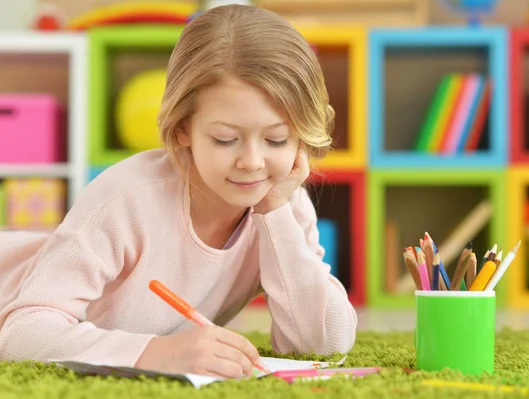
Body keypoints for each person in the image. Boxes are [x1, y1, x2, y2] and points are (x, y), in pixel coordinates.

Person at [0, 4, 357, 379]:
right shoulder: (127, 199)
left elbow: (324, 347)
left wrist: (274, 212)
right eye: (225, 139)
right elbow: (21, 332)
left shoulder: (280, 201)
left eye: (276, 139)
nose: (252, 161)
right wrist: (153, 351)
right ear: (183, 127)